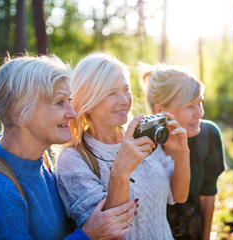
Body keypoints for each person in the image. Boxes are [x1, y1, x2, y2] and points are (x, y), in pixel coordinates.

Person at [0, 54, 138, 239]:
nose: (72, 112)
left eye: (69, 100)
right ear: (20, 113)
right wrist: (88, 235)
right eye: (60, 102)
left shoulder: (40, 161)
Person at [56, 52, 190, 240]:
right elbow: (108, 234)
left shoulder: (141, 135)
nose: (125, 100)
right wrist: (120, 171)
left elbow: (179, 196)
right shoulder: (73, 161)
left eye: (126, 89)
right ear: (88, 101)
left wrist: (182, 152)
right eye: (112, 93)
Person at [138, 63, 226, 240]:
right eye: (190, 106)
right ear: (160, 111)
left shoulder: (208, 136)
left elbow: (207, 197)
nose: (199, 113)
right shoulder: (140, 144)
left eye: (200, 102)